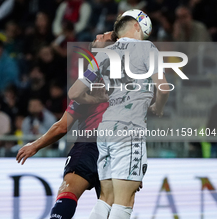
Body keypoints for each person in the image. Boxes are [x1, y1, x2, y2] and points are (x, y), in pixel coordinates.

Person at [68, 15, 170, 219]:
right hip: (129, 131)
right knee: (124, 201)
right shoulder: (147, 48)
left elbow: (74, 93)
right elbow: (164, 88)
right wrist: (158, 106)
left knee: (106, 198)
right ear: (135, 27)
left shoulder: (103, 54)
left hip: (105, 132)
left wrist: (97, 97)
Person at [17, 33, 111, 219]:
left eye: (105, 37)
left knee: (68, 191)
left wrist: (35, 145)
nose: (98, 36)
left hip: (90, 143)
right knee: (110, 206)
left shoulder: (90, 84)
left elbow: (62, 126)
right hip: (118, 149)